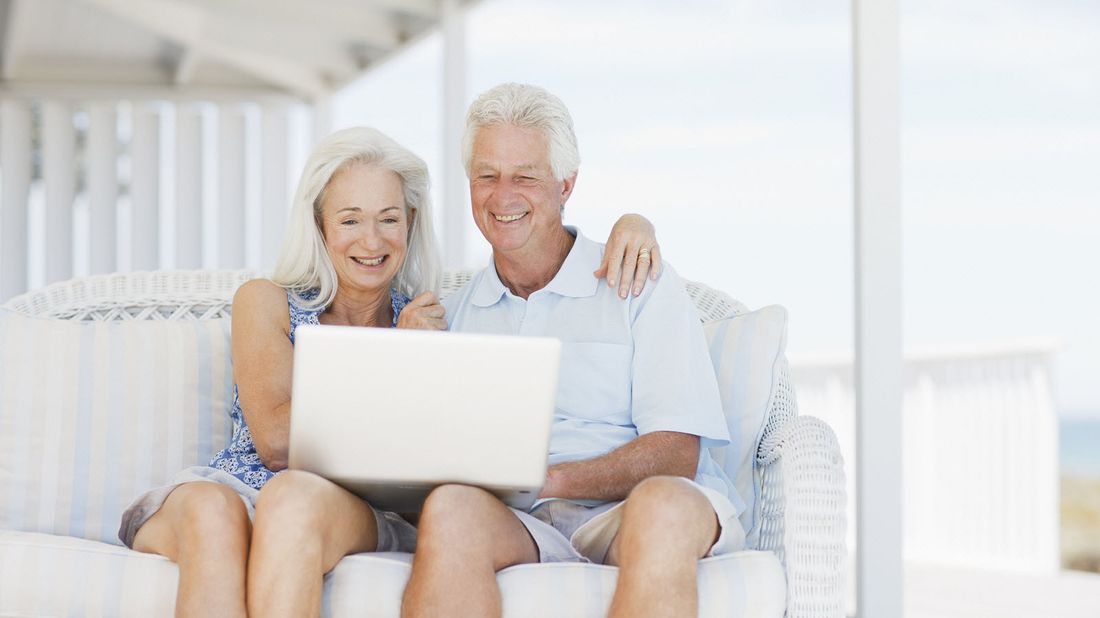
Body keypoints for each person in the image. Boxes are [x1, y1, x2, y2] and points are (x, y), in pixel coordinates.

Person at [116, 126, 662, 618]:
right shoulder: (268, 302)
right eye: (350, 219)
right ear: (319, 225)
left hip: (345, 508)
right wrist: (392, 357)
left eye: (388, 219)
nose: (371, 241)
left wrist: (634, 223)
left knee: (293, 499)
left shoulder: (431, 322)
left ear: (411, 224)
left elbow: (436, 471)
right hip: (234, 486)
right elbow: (278, 444)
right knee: (215, 515)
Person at [401, 83, 744, 618]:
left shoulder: (638, 279)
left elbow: (677, 451)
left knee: (667, 505)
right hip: (519, 521)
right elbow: (422, 462)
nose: (503, 195)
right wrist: (409, 365)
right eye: (486, 176)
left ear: (566, 184)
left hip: (630, 509)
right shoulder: (450, 316)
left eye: (526, 176)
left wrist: (553, 479)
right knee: (450, 508)